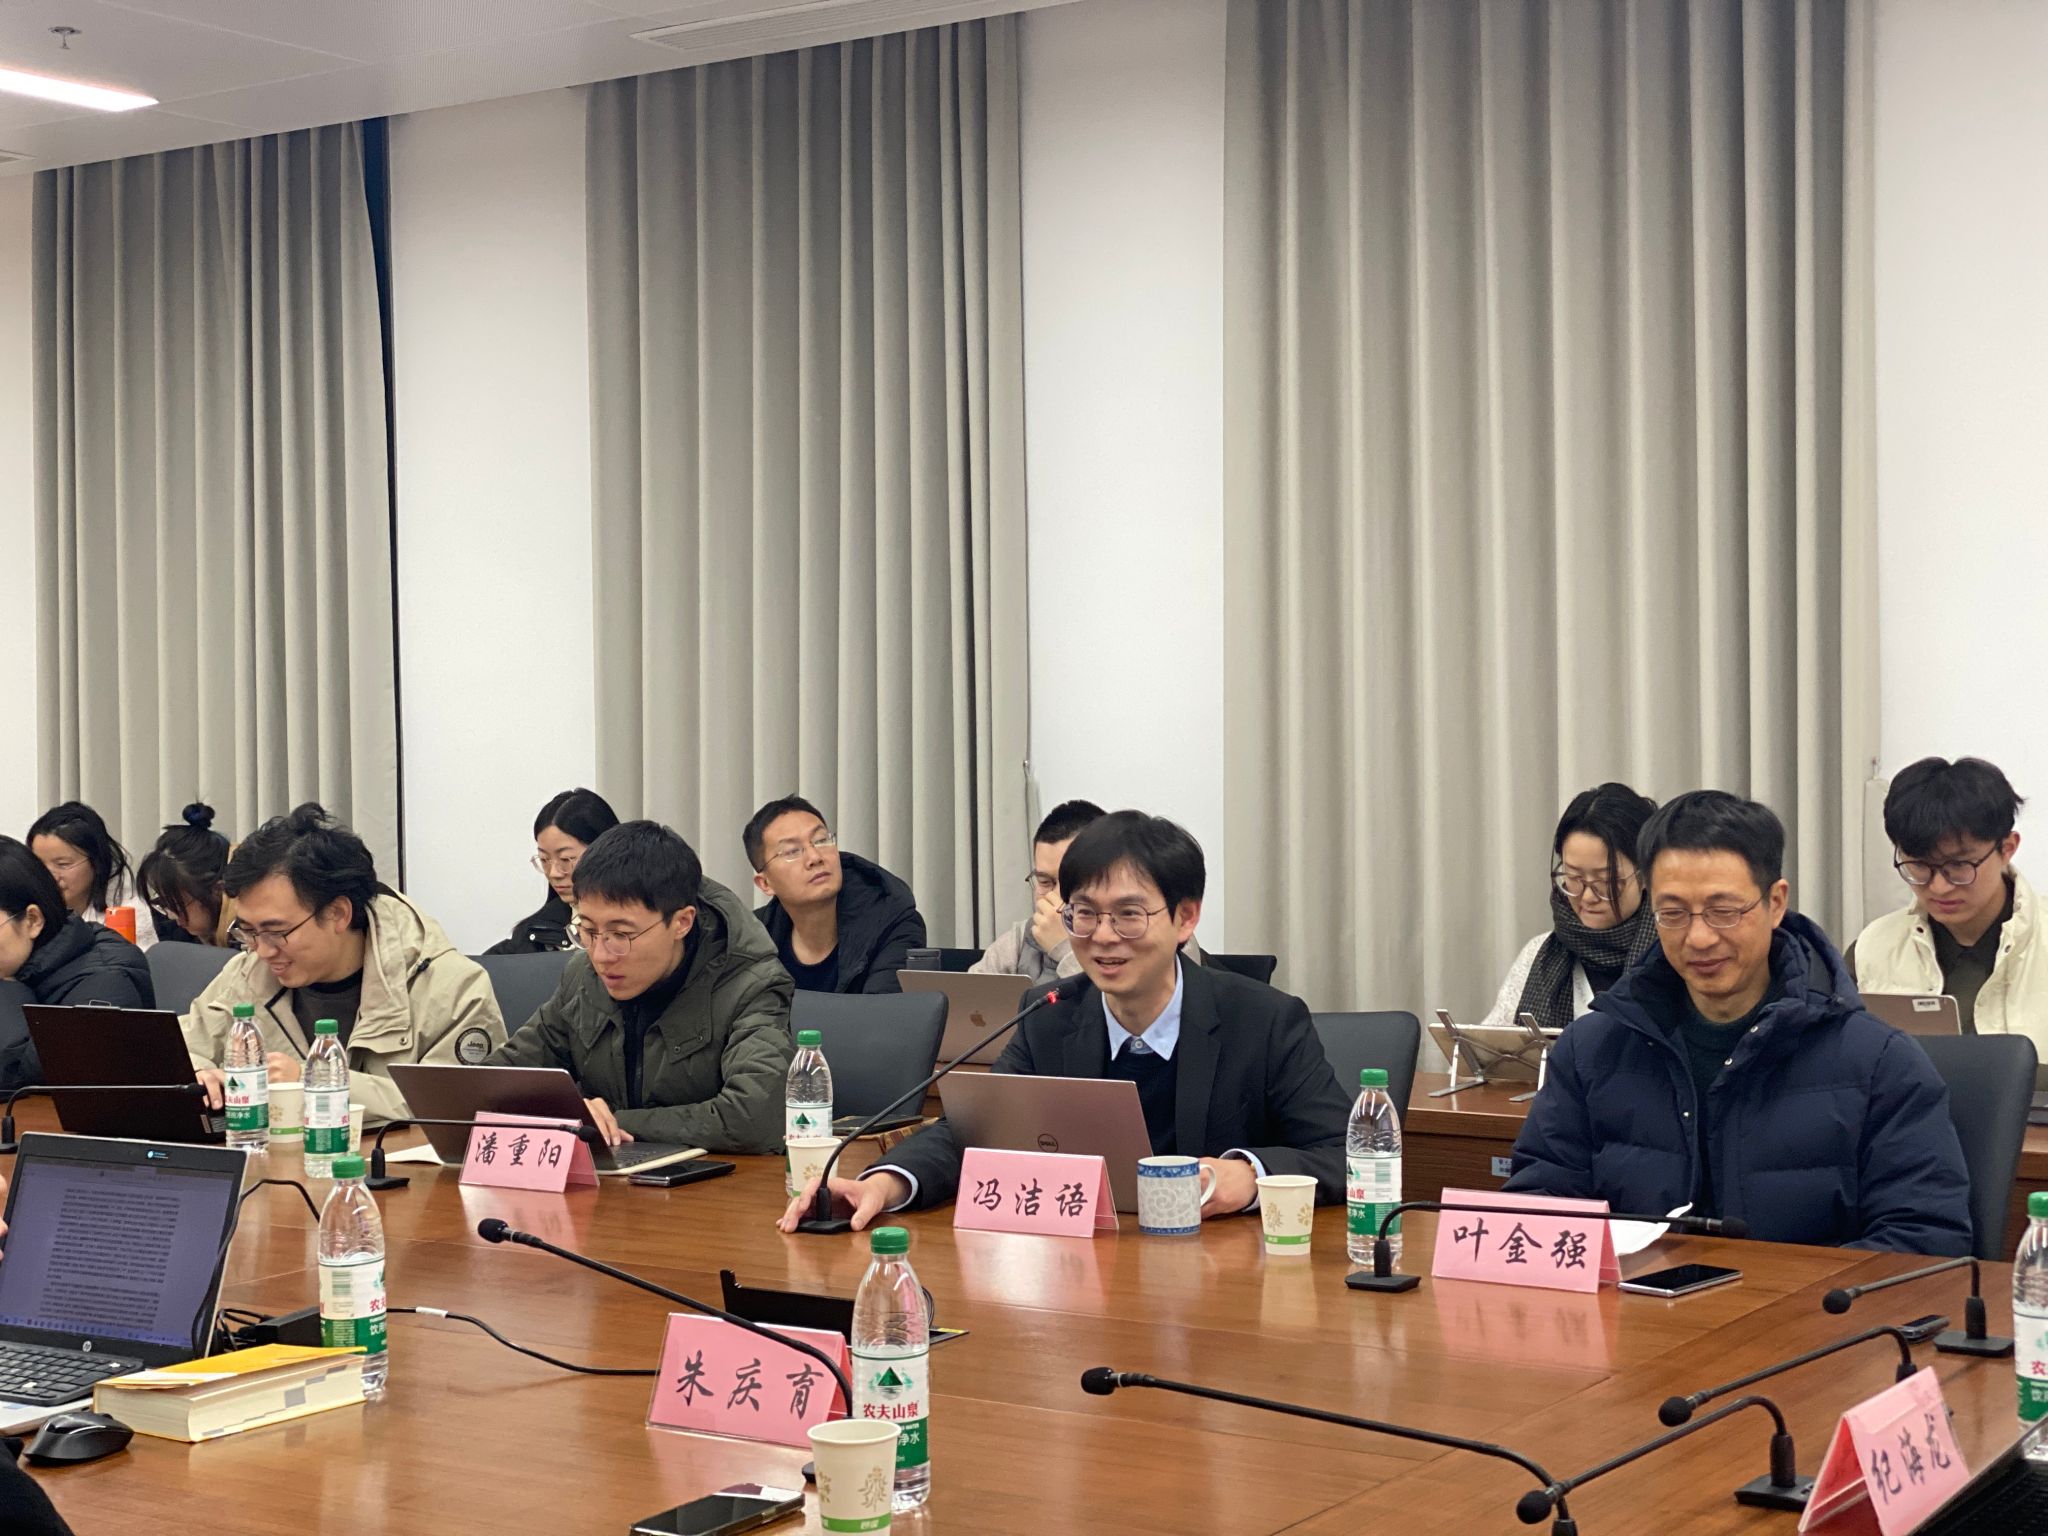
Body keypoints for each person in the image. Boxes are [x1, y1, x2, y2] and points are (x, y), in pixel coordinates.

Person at [781, 811, 1348, 1231]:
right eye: (1084, 914)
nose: (1102, 937)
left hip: (1220, 1281)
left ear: (1185, 918)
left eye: (1129, 915)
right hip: (1083, 1269)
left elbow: (1345, 1153)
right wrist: (883, 1184)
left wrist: (1249, 1175)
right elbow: (972, 1134)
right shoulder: (1051, 1015)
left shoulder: (1265, 1020)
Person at [1505, 790, 1972, 1255]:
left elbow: (1925, 1241)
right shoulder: (1590, 1050)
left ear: (1776, 902)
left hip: (1806, 1304)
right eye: (1673, 913)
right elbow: (1537, 1212)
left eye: (1723, 912)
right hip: (1631, 1301)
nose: (1699, 937)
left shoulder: (1879, 1062)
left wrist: (1783, 1298)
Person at [181, 803, 505, 1125]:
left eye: (277, 931)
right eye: (248, 930)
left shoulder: (452, 987)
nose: (262, 950)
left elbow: (458, 1105)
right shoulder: (248, 973)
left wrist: (314, 1083)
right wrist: (198, 1074)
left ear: (338, 913)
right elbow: (183, 1047)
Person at [491, 821, 792, 1153]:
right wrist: (565, 1114)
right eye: (588, 931)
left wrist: (611, 1123)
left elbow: (755, 1117)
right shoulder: (582, 976)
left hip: (716, 1181)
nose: (601, 955)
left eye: (621, 935)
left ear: (681, 922)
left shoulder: (751, 985)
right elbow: (493, 1082)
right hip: (609, 1176)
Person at [1849, 757, 2038, 1040]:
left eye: (1959, 865)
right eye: (1919, 865)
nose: (1938, 887)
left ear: (2007, 848)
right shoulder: (1872, 949)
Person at [1477, 783, 1660, 1031]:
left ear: (1646, 874)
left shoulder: (1672, 952)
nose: (1588, 896)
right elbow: (1491, 1045)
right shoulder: (1539, 954)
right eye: (1573, 877)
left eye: (1606, 881)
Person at [0, 837, 156, 1088]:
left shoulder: (106, 980)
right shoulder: (20, 961)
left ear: (32, 920)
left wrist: (6, 985)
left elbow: (21, 1076)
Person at [745, 796, 926, 994]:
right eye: (792, 851)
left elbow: (881, 1011)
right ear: (765, 883)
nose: (815, 857)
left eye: (821, 840)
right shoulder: (749, 941)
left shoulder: (893, 921)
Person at [487, 787, 620, 954]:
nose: (553, 873)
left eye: (566, 859)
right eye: (544, 860)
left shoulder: (637, 925)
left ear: (606, 851)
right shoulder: (534, 935)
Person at [28, 801, 159, 950]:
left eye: (63, 864)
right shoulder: (27, 909)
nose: (49, 876)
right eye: (39, 865)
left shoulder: (129, 913)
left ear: (97, 862)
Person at [137, 803, 238, 946]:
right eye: (163, 903)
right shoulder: (177, 931)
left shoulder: (248, 937)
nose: (171, 916)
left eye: (177, 906)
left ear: (218, 890)